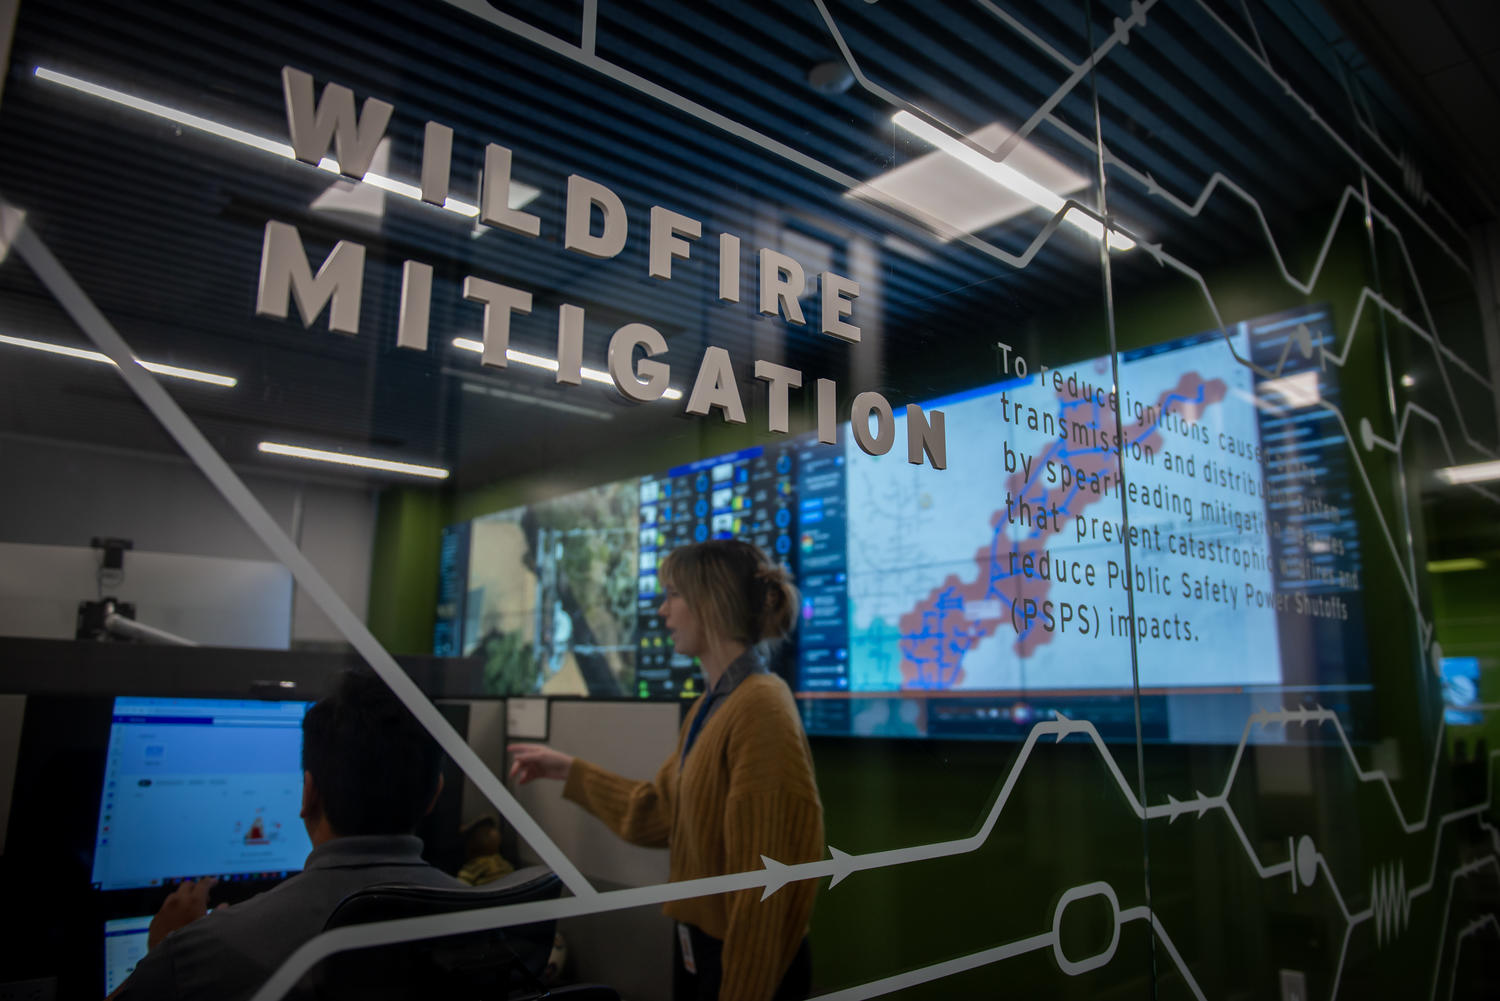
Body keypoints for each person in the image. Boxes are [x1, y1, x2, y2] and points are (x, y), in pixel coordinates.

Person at [509, 539, 824, 1001]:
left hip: (744, 965)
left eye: (673, 594)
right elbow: (659, 813)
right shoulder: (712, 706)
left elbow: (763, 895)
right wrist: (568, 770)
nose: (663, 611)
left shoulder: (760, 707)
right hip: (702, 950)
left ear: (709, 604)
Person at [110, 670, 462, 1000]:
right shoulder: (490, 922)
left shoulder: (206, 950)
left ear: (309, 793)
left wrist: (167, 950)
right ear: (435, 793)